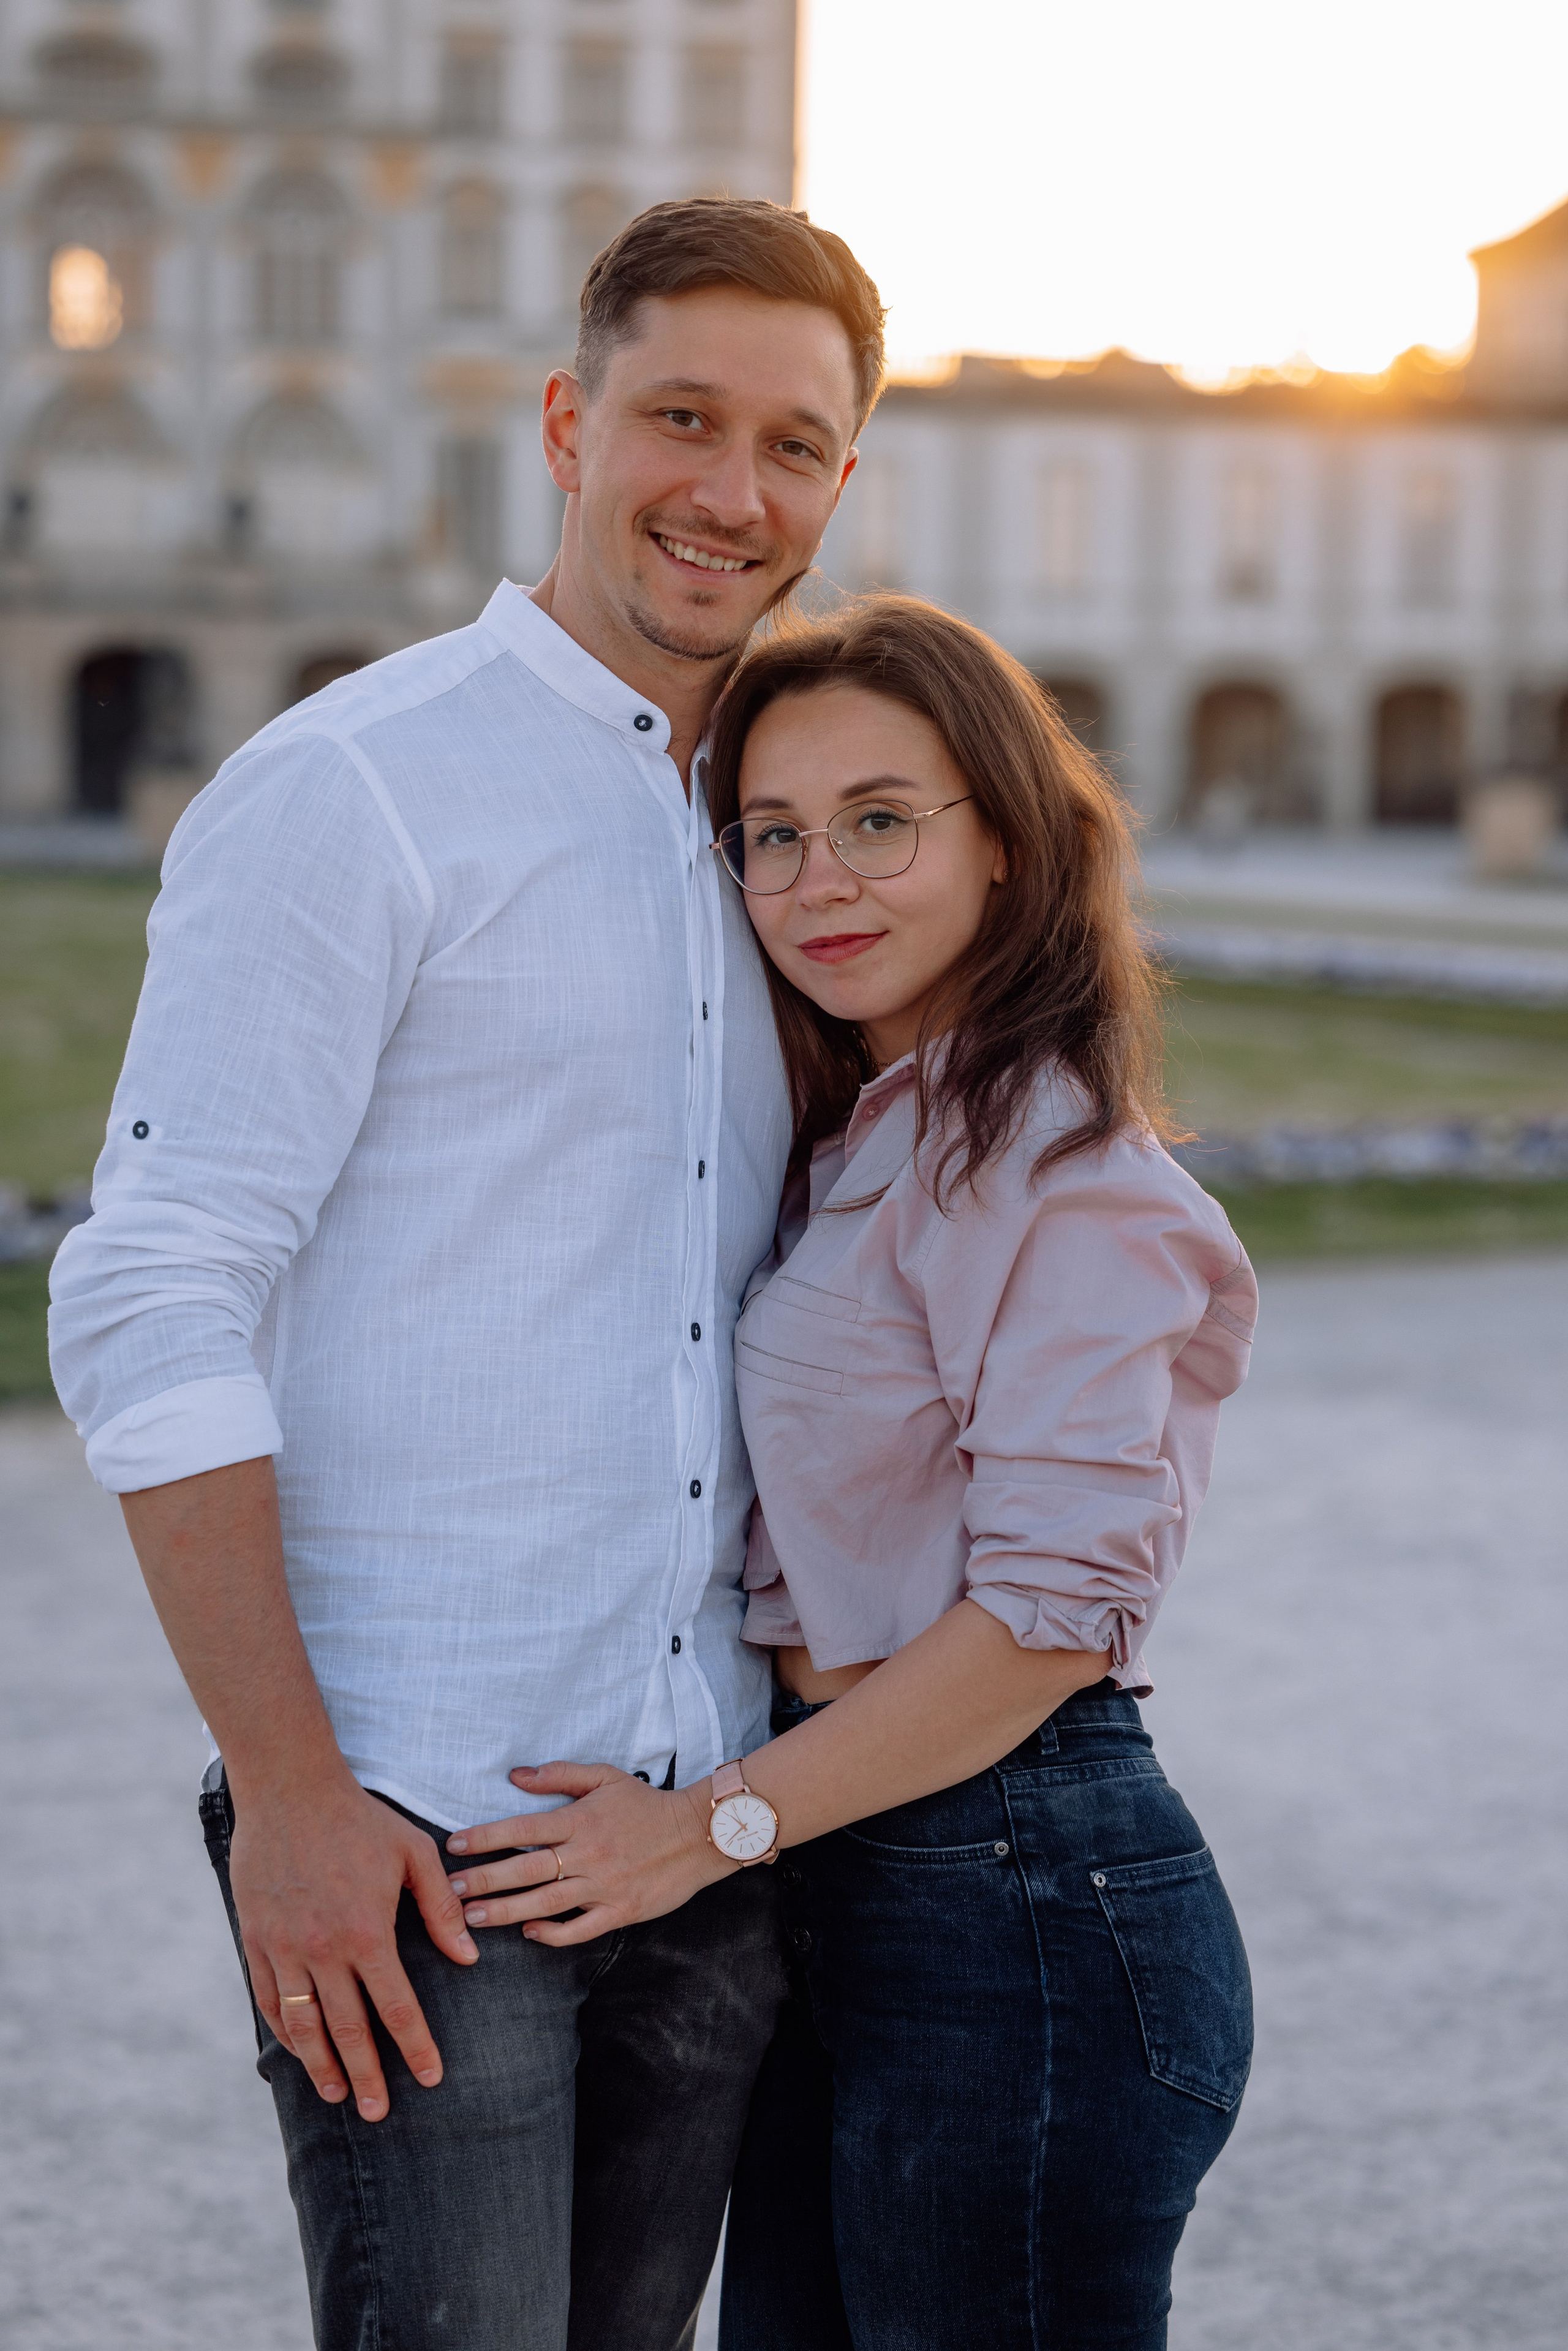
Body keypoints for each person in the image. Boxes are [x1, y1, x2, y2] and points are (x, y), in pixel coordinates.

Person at [48, 198, 885, 2351]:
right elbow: (149, 1286)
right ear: (562, 422)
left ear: (844, 483)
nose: (731, 490)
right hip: (412, 1833)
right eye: (680, 418)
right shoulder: (357, 786)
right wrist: (298, 1802)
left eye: (794, 444)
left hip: (689, 1829)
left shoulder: (779, 840)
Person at [443, 597, 1259, 2350]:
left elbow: (1049, 1616)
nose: (822, 881)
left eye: (882, 821)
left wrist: (704, 1831)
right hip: (854, 1881)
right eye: (775, 837)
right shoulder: (872, 1135)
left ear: (1010, 842)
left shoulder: (1075, 1181)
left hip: (1024, 1897)